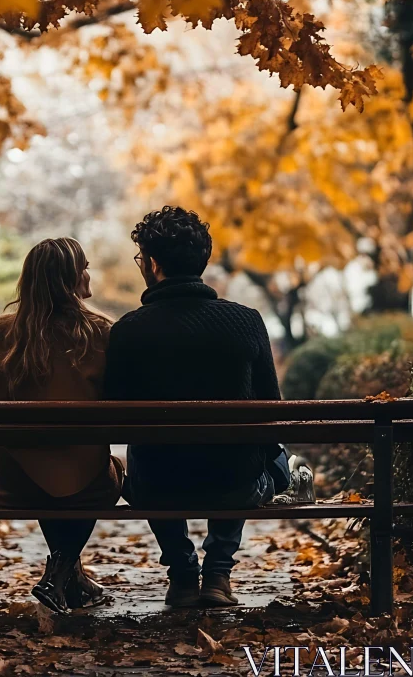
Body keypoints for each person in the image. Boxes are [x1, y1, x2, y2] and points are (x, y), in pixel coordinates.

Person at [104, 206, 314, 608]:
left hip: (158, 486)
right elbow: (271, 410)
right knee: (248, 454)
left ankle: (183, 575)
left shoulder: (128, 330)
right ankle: (217, 573)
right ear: (202, 260)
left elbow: (115, 420)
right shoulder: (246, 321)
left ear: (151, 263)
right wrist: (273, 462)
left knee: (147, 459)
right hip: (235, 484)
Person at [0, 238, 124, 613]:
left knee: (44, 464)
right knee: (104, 475)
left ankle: (70, 579)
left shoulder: (3, 331)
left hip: (15, 480)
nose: (88, 273)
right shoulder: (100, 332)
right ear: (69, 279)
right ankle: (59, 573)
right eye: (83, 267)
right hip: (83, 483)